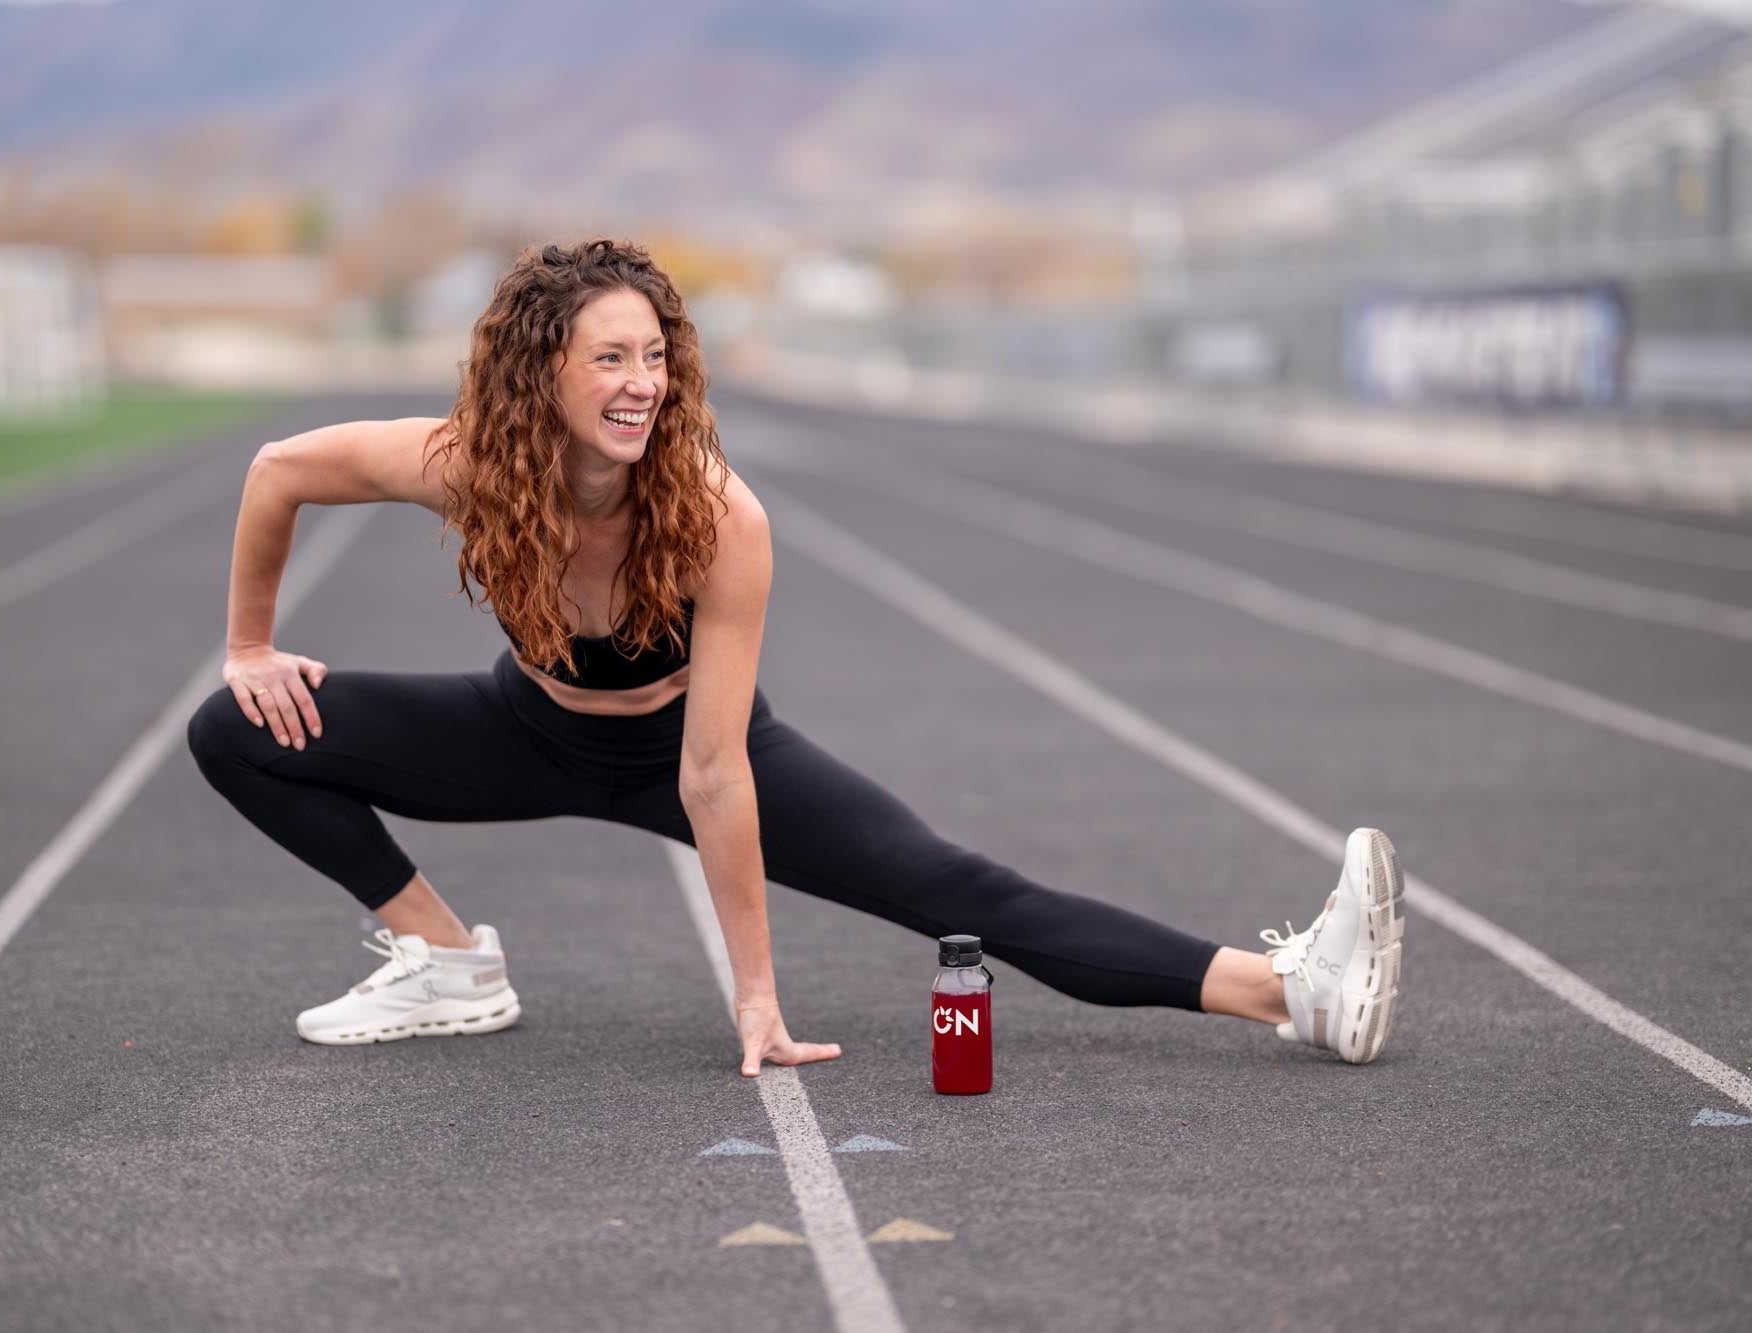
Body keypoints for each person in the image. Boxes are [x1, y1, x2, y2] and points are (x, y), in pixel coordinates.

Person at [185, 237, 1405, 1077]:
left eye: (654, 356)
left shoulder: (718, 518)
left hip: (688, 747)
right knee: (232, 731)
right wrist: (249, 645)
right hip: (524, 732)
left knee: (964, 895)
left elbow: (713, 776)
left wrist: (756, 996)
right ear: (538, 370)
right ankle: (445, 959)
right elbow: (280, 469)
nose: (641, 382)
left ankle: (1287, 990)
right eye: (609, 357)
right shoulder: (462, 464)